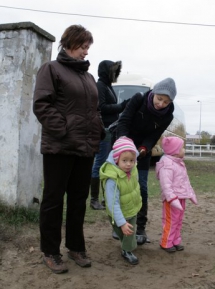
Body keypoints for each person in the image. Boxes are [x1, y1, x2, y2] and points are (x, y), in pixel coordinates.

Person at [33, 24, 105, 274]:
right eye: (83, 47)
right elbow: (42, 105)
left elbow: (93, 109)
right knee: (53, 200)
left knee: (78, 200)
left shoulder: (88, 77)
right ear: (69, 43)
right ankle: (50, 251)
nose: (86, 52)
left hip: (85, 147)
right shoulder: (51, 69)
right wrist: (63, 129)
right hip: (59, 147)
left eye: (88, 47)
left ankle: (76, 247)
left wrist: (99, 128)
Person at [115, 77, 177, 245]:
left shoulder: (168, 115)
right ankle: (119, 224)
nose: (161, 104)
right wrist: (124, 144)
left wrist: (144, 148)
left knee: (141, 188)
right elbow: (124, 120)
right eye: (159, 99)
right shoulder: (138, 99)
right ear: (154, 93)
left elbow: (153, 136)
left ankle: (140, 227)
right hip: (123, 147)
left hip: (142, 153)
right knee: (120, 187)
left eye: (166, 101)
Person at [90, 60, 129, 210]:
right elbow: (100, 107)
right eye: (114, 71)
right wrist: (121, 106)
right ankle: (94, 199)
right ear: (107, 71)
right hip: (104, 131)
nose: (116, 74)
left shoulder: (107, 86)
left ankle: (106, 198)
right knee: (100, 164)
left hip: (110, 131)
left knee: (108, 165)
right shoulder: (100, 86)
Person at [100, 136, 142, 265]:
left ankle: (127, 247)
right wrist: (122, 222)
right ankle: (127, 247)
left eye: (132, 160)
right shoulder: (112, 179)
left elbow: (136, 186)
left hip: (132, 207)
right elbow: (113, 204)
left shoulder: (133, 170)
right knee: (125, 230)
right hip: (119, 212)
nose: (129, 164)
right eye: (125, 160)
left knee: (130, 231)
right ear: (116, 159)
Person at [156, 136, 198, 252]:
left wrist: (190, 194)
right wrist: (171, 198)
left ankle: (175, 240)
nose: (184, 150)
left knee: (178, 220)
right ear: (175, 151)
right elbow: (166, 185)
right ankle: (166, 242)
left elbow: (185, 181)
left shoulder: (179, 163)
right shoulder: (167, 165)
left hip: (181, 196)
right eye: (182, 148)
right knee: (171, 221)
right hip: (172, 199)